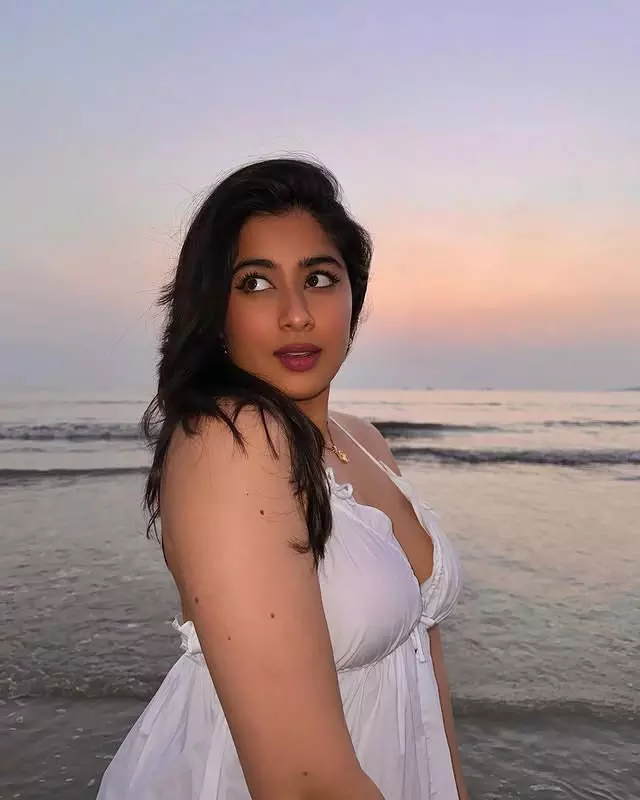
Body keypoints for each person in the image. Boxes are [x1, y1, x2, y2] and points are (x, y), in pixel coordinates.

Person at [97, 157, 466, 799]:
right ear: (216, 311)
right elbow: (302, 782)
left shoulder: (365, 439)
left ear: (354, 296)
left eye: (319, 279)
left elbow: (424, 664)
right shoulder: (229, 441)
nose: (296, 314)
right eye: (257, 284)